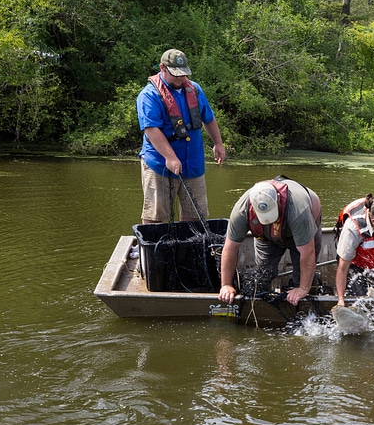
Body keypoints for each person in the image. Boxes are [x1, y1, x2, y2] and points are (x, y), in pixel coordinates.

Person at [136, 48, 226, 223]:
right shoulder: (148, 95)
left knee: (196, 215)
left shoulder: (195, 90)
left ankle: (190, 249)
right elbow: (151, 129)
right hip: (160, 164)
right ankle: (154, 249)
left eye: (183, 74)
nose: (180, 78)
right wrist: (170, 157)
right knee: (156, 216)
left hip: (193, 162)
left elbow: (208, 118)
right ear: (162, 68)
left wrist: (218, 143)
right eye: (175, 74)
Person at [217, 177, 322, 306]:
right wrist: (226, 284)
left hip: (301, 229)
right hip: (266, 236)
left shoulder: (299, 211)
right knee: (263, 274)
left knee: (302, 277)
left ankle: (308, 292)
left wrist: (303, 288)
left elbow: (307, 252)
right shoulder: (241, 211)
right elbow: (230, 248)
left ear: (278, 198)